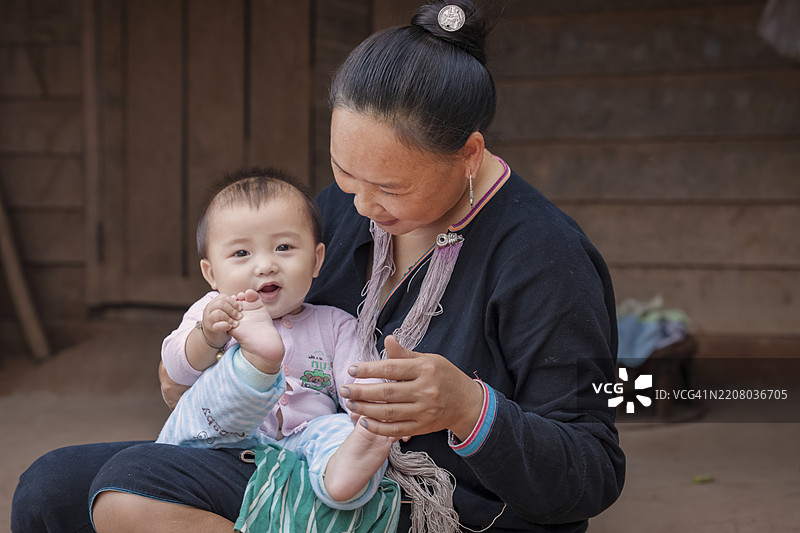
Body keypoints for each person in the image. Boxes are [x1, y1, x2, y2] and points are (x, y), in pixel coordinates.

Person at [11, 1, 625, 532]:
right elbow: (233, 344)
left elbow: (593, 470)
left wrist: (469, 408)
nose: (358, 206)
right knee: (48, 490)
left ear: (469, 154)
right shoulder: (347, 211)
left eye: (388, 186)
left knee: (132, 490)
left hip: (442, 506)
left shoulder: (546, 259)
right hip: (295, 457)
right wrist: (199, 362)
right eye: (343, 173)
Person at [155, 167, 396, 515]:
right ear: (211, 273)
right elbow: (176, 371)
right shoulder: (214, 311)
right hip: (228, 440)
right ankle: (256, 361)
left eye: (284, 247)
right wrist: (207, 338)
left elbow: (360, 378)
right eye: (241, 253)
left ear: (316, 261)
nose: (266, 265)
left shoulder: (335, 324)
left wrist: (369, 415)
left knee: (339, 429)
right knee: (199, 405)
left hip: (304, 440)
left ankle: (343, 475)